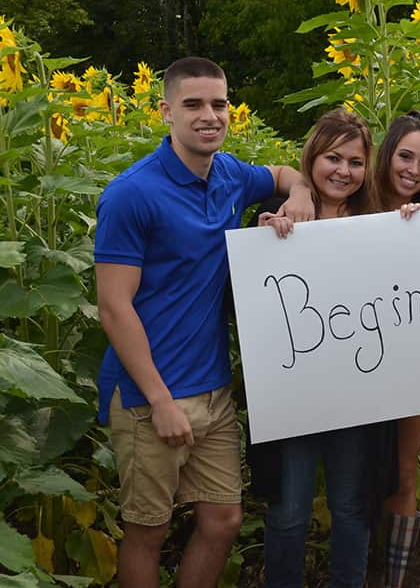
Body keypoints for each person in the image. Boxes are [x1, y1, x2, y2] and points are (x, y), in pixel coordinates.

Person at [94, 56, 313, 588]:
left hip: (214, 389)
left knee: (223, 520)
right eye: (193, 104)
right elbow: (113, 306)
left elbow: (285, 174)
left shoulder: (231, 175)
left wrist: (301, 194)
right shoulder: (132, 194)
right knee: (148, 530)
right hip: (153, 396)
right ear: (166, 110)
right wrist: (160, 400)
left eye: (218, 104)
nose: (209, 115)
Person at [254, 108, 381, 588]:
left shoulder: (377, 221)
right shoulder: (276, 216)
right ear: (312, 156)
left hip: (355, 395)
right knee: (288, 511)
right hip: (294, 396)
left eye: (355, 162)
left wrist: (418, 224)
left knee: (351, 507)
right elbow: (243, 301)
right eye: (333, 158)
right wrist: (262, 240)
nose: (343, 171)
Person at [371, 111, 420, 587]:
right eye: (405, 156)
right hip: (355, 361)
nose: (413, 170)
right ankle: (355, 567)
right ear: (387, 156)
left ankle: (392, 579)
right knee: (355, 478)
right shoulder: (354, 208)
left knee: (403, 473)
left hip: (412, 366)